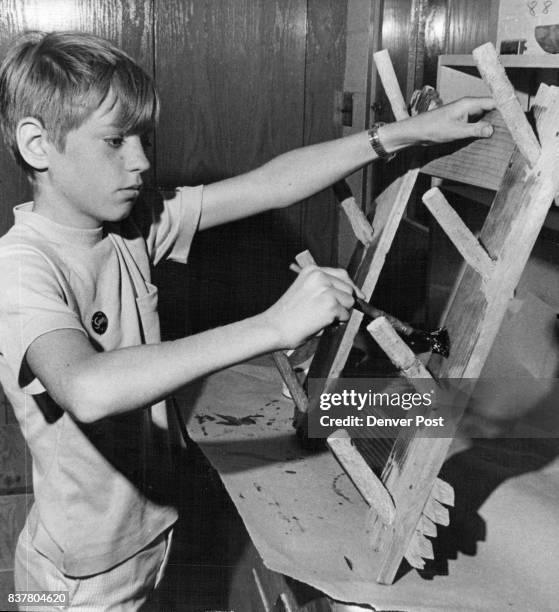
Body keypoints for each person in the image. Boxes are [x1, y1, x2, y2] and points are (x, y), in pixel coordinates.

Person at [0, 30, 495, 610]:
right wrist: (273, 327)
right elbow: (85, 387)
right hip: (71, 581)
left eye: (144, 139)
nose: (140, 160)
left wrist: (403, 134)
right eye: (115, 141)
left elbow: (268, 185)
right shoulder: (21, 268)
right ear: (37, 145)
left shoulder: (130, 225)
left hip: (155, 536)